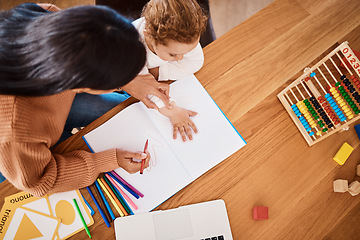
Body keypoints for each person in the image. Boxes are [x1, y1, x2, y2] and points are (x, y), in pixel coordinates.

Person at [0, 3, 169, 196]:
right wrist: (107, 161)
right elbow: (40, 181)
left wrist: (127, 81)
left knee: (120, 112)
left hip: (48, 104)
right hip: (18, 151)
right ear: (82, 85)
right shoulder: (16, 134)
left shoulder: (53, 18)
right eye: (116, 83)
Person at [132, 0, 208, 142]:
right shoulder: (133, 46)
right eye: (173, 55)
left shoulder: (182, 39)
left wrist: (157, 73)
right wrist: (172, 111)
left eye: (186, 52)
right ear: (149, 36)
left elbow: (196, 62)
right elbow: (146, 90)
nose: (180, 58)